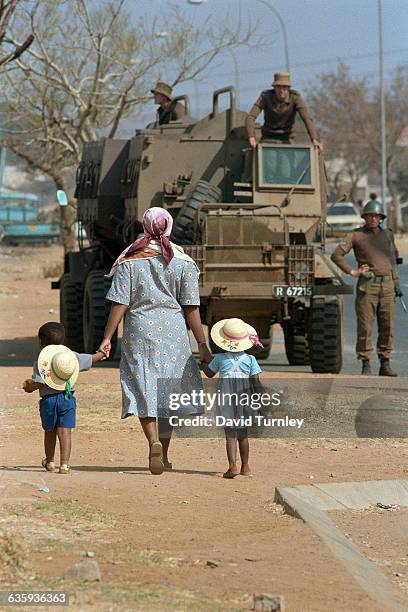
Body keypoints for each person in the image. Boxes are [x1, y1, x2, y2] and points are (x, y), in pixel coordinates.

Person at [100, 207, 212, 475]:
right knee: (167, 393)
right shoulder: (183, 261)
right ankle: (165, 450)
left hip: (139, 332)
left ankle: (152, 443)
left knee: (144, 388)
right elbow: (191, 307)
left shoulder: (129, 259)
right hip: (174, 334)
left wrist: (107, 338)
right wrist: (202, 343)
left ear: (145, 226)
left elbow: (120, 303)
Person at [22, 322, 106, 474]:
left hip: (48, 401)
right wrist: (102, 352)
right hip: (67, 399)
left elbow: (38, 384)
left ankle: (50, 461)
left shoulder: (42, 363)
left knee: (50, 431)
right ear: (63, 342)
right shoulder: (71, 357)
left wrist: (28, 387)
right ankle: (65, 465)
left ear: (41, 342)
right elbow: (91, 359)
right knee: (65, 432)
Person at [331, 200, 400, 376]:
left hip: (388, 286)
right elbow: (336, 255)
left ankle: (385, 362)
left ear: (381, 218)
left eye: (376, 216)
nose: (373, 219)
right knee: (365, 327)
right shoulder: (356, 235)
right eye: (369, 216)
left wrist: (397, 284)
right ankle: (365, 363)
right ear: (364, 217)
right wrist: (353, 271)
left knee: (388, 326)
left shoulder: (388, 235)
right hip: (367, 287)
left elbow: (393, 260)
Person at [200, 318, 263, 479]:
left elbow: (209, 373)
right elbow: (256, 382)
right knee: (243, 434)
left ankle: (232, 466)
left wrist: (203, 363)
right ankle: (246, 466)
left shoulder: (220, 358)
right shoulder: (250, 360)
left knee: (230, 435)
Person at [245, 72, 323, 151]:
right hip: (268, 138)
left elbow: (307, 119)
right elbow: (250, 117)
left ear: (288, 88)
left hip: (287, 138)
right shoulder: (266, 96)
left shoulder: (295, 98)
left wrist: (314, 139)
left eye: (284, 87)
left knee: (287, 162)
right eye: (278, 87)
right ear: (274, 87)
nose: (281, 90)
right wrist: (251, 137)